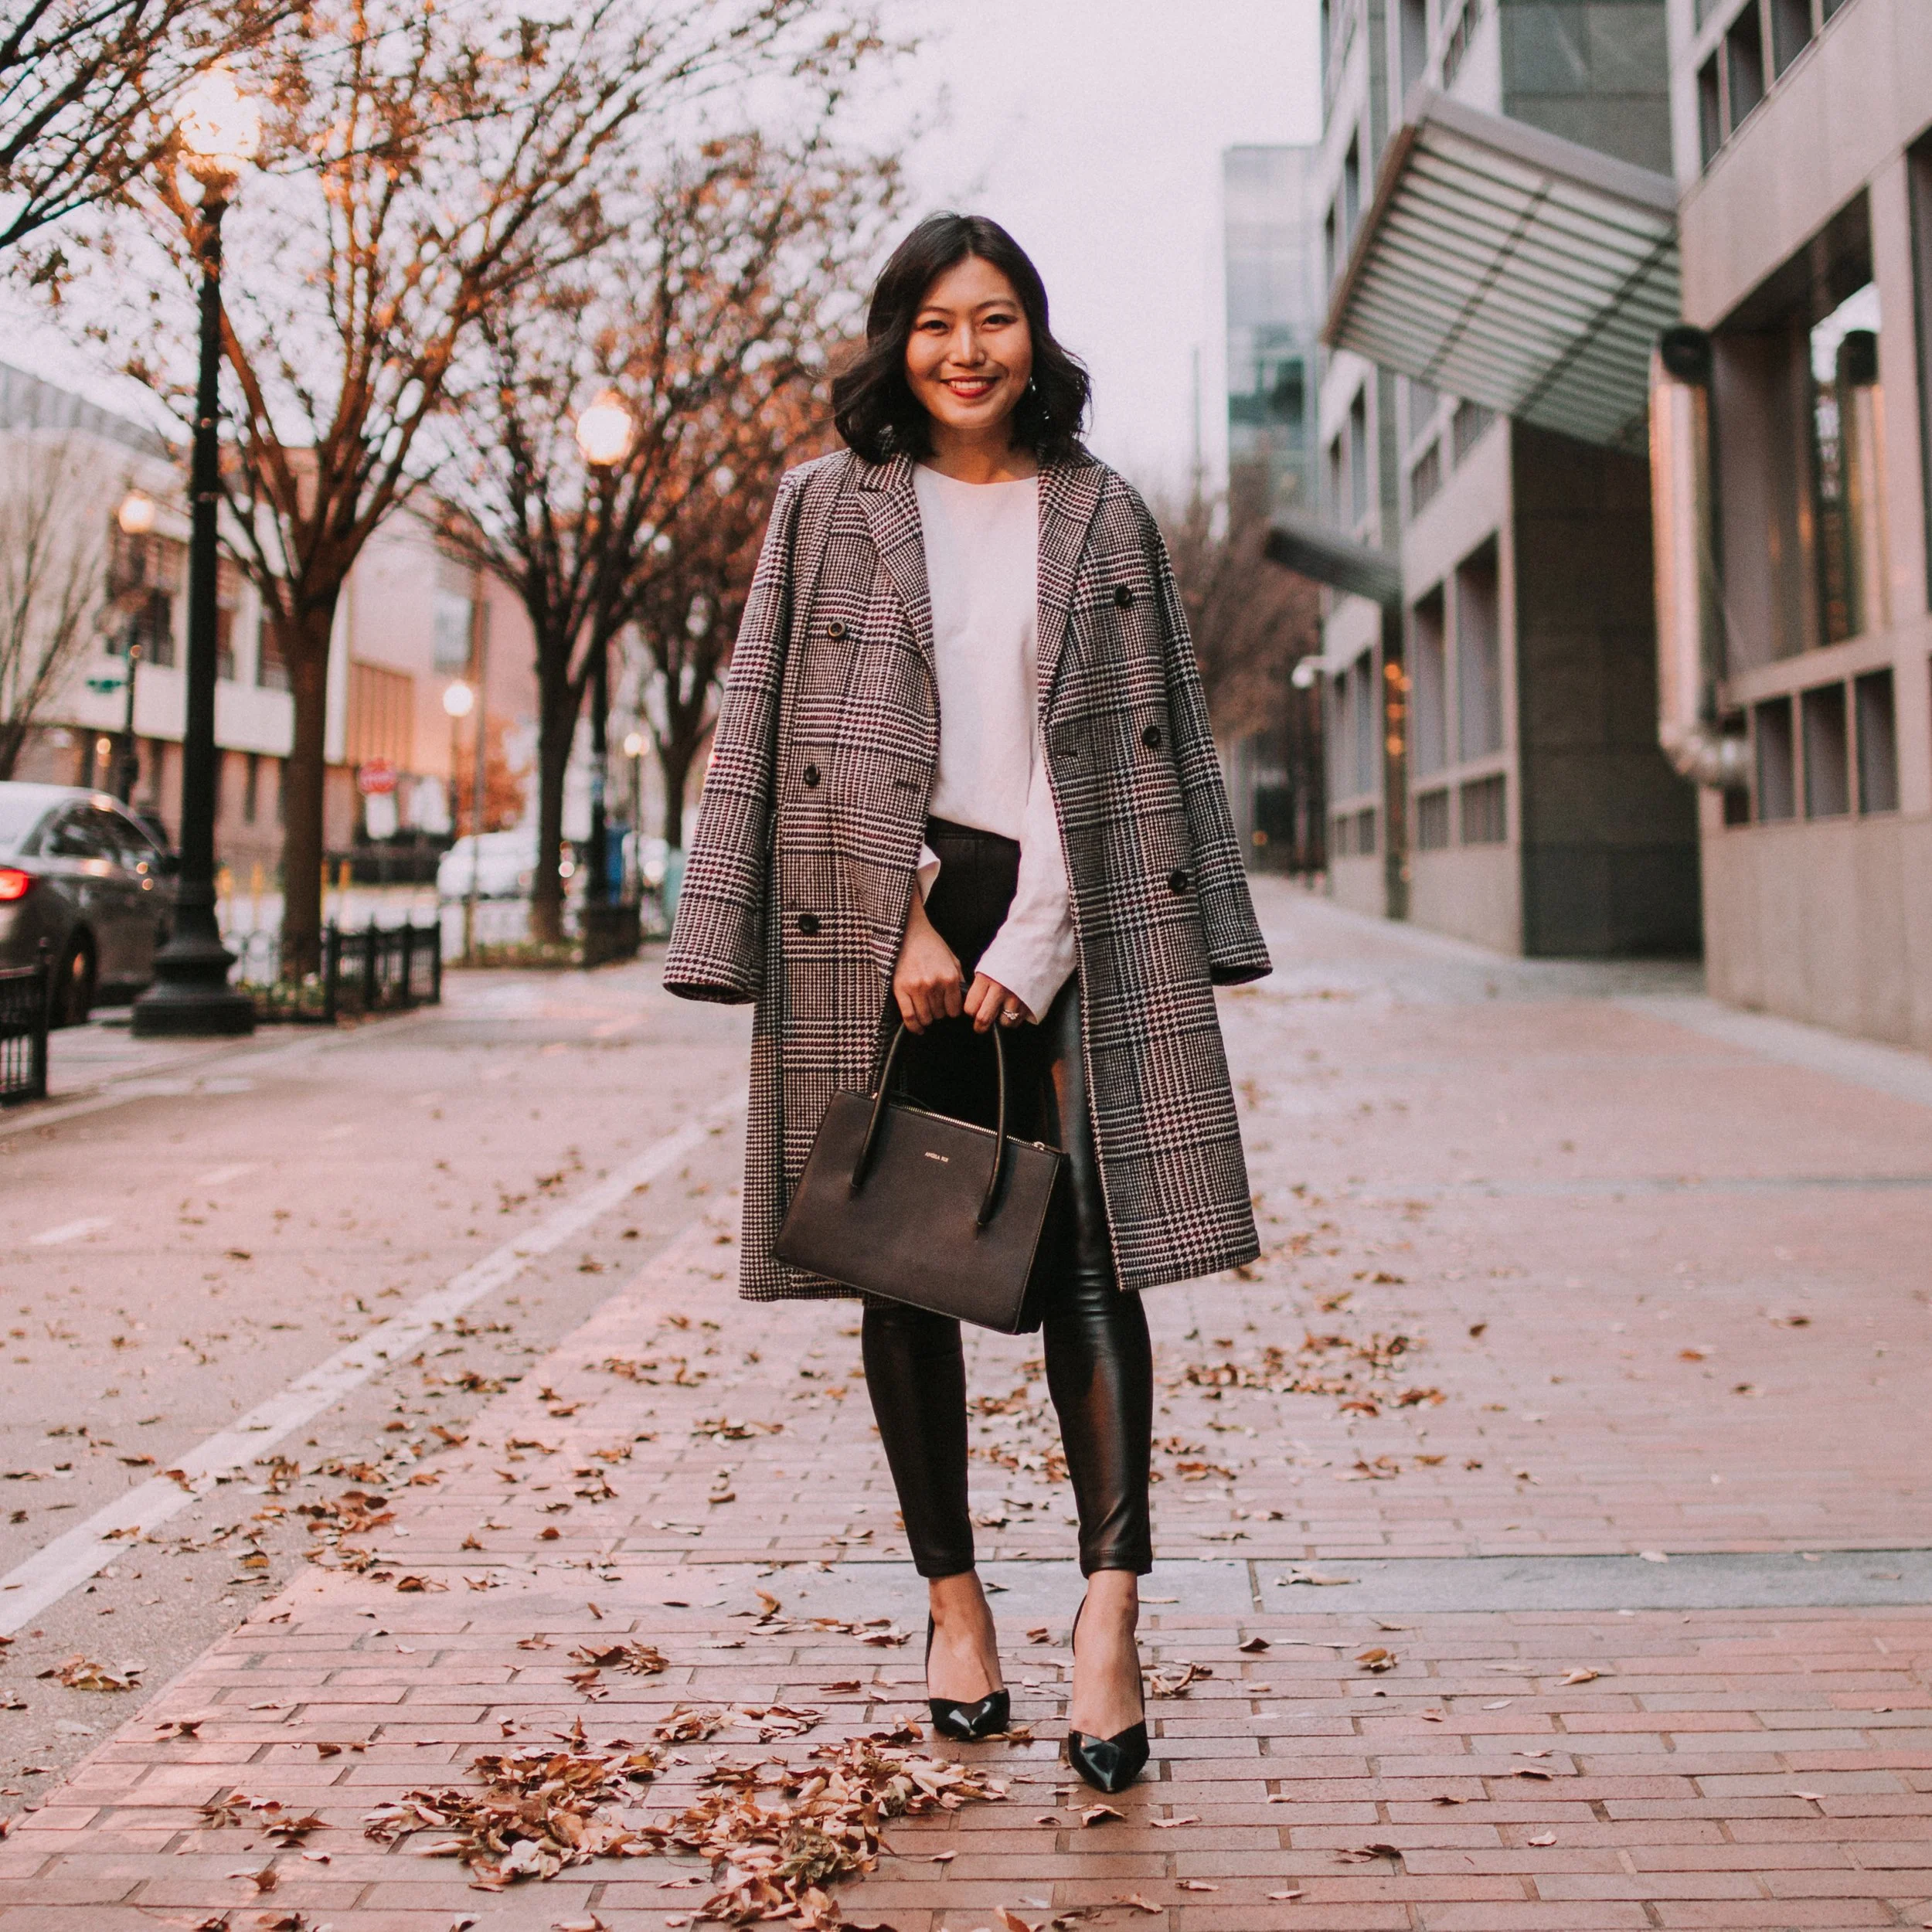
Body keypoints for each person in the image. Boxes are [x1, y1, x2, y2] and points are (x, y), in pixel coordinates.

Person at [665, 213, 1270, 1793]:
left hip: (1074, 908)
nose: (967, 348)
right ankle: (952, 1605)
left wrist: (1036, 936)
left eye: (995, 317)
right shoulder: (825, 508)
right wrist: (903, 924)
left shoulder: (1100, 512)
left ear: (1034, 335)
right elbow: (769, 727)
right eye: (937, 321)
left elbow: (1132, 738)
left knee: (1088, 1253)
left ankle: (1107, 1614)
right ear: (897, 339)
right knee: (903, 1252)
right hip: (892, 914)